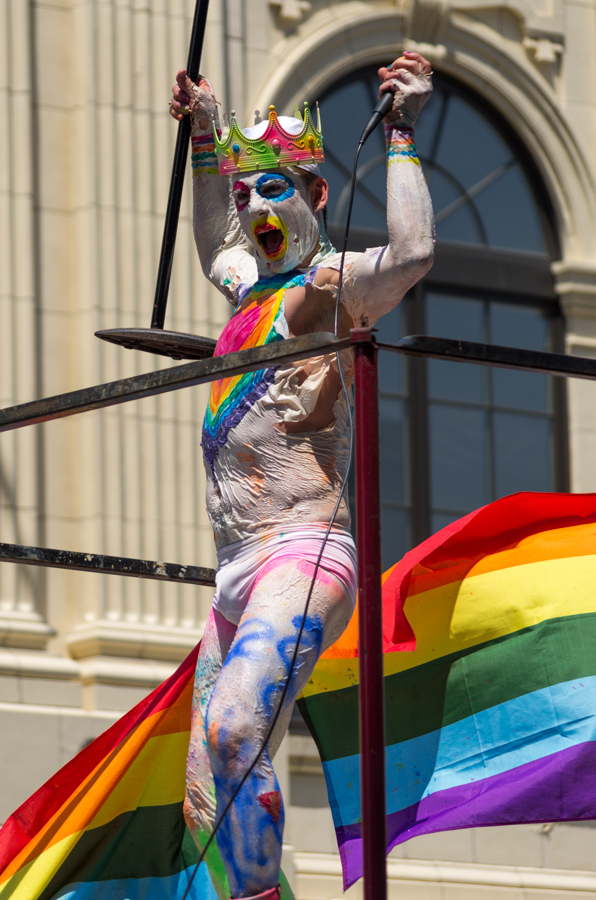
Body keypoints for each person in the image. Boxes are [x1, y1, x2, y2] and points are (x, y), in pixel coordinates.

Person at [169, 51, 434, 900]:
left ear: (317, 197)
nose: (253, 210)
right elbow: (213, 238)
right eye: (248, 195)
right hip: (234, 576)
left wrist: (398, 130)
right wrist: (209, 137)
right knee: (206, 791)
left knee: (237, 723)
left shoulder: (332, 285)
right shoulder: (247, 287)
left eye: (274, 188)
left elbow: (416, 251)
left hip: (304, 553)